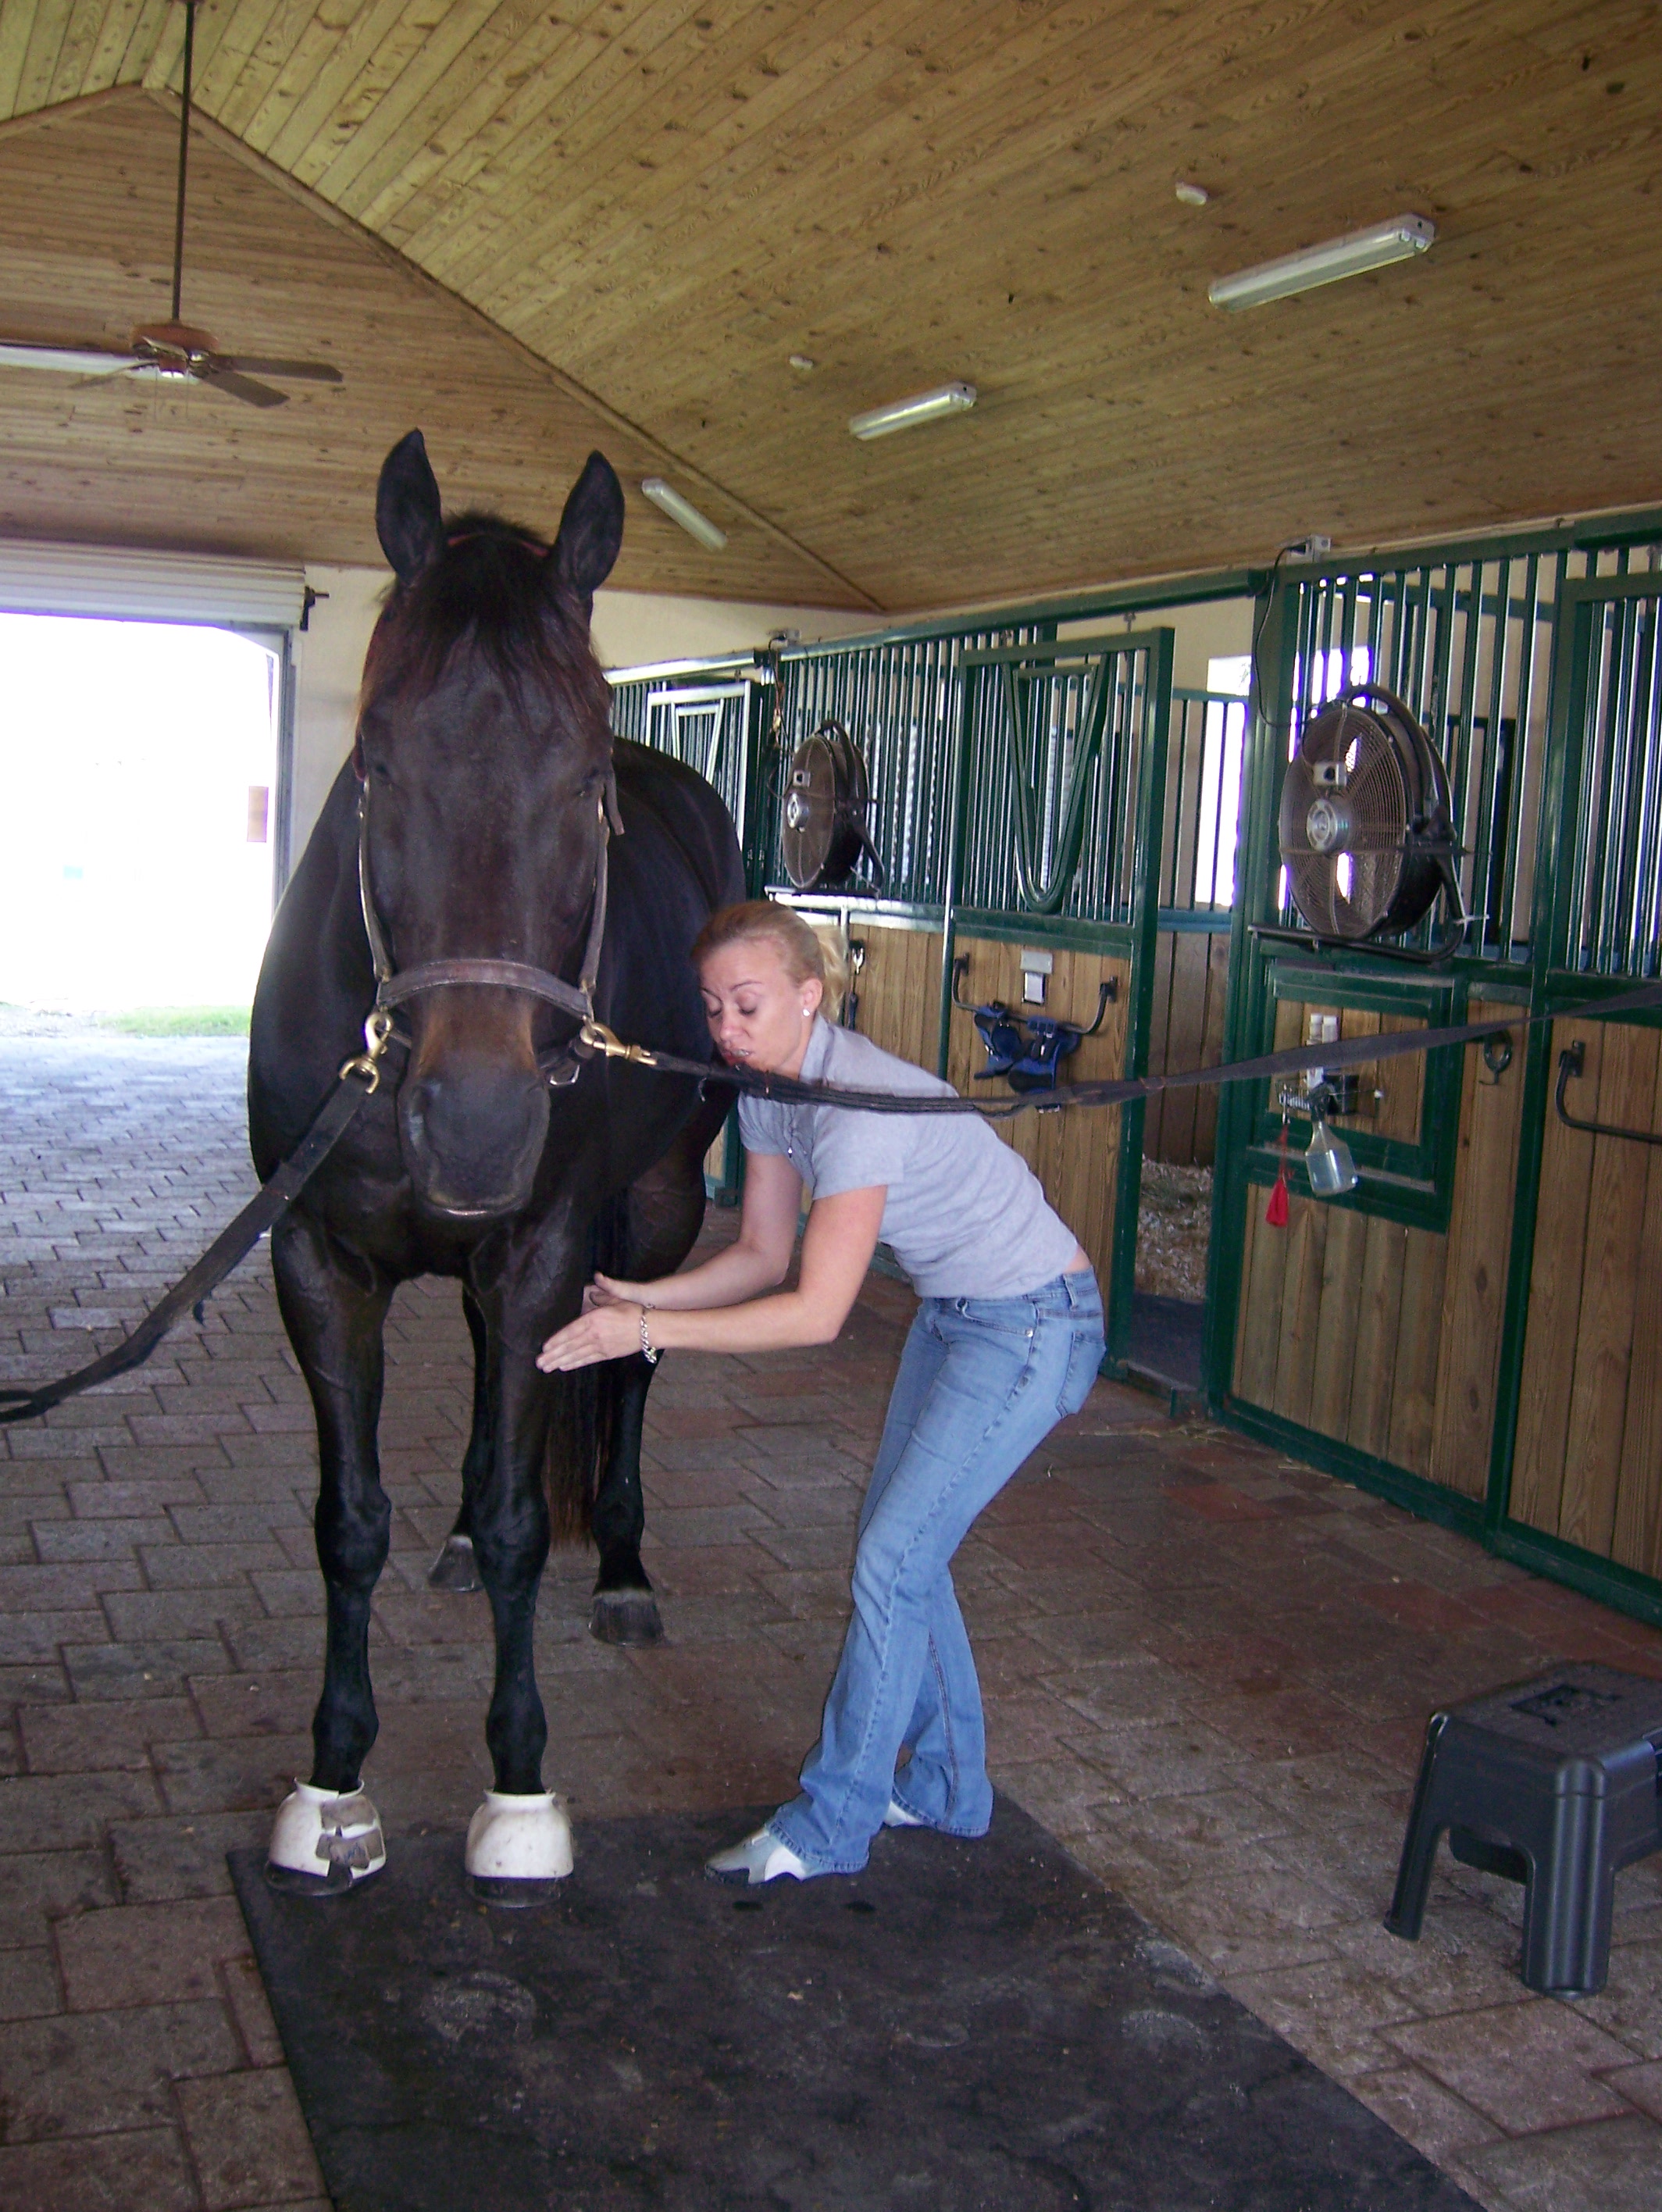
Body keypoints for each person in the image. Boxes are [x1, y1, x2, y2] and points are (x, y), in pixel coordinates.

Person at [537, 900, 1104, 1883]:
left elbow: (815, 1313)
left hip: (1033, 1322)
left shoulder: (855, 1104)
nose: (726, 1031)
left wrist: (642, 1331)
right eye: (713, 1009)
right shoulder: (768, 1091)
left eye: (747, 1006)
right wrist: (646, 1293)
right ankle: (945, 1789)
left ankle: (831, 1826)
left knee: (894, 1556)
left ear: (810, 995)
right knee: (902, 1552)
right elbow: (761, 1256)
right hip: (957, 1316)